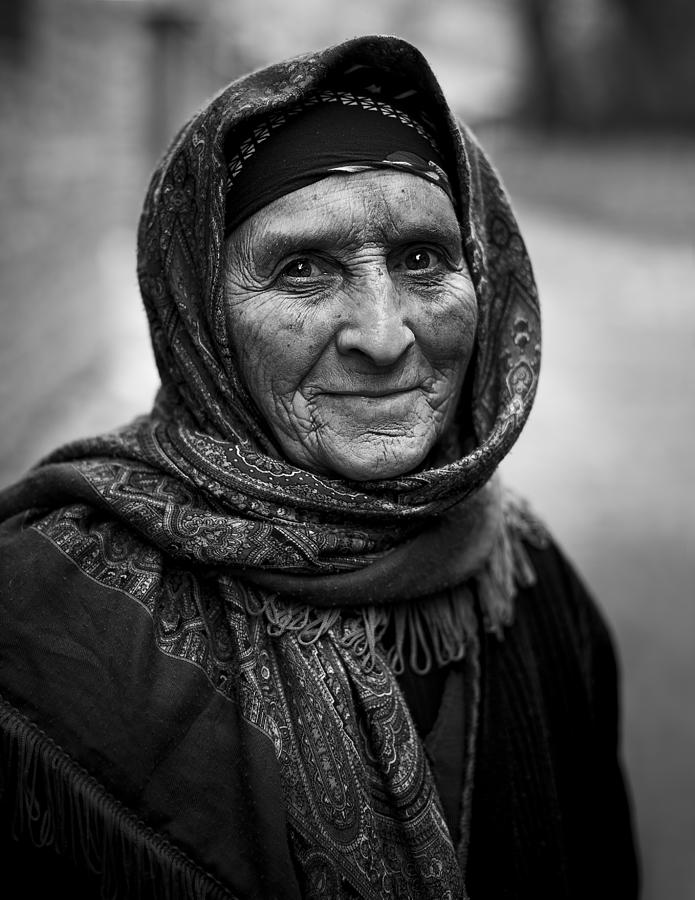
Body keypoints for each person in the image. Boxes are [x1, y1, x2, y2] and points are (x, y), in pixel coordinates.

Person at [0, 33, 639, 900]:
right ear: (200, 314)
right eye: (302, 270)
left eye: (422, 259)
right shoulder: (35, 617)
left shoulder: (526, 575)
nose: (382, 336)